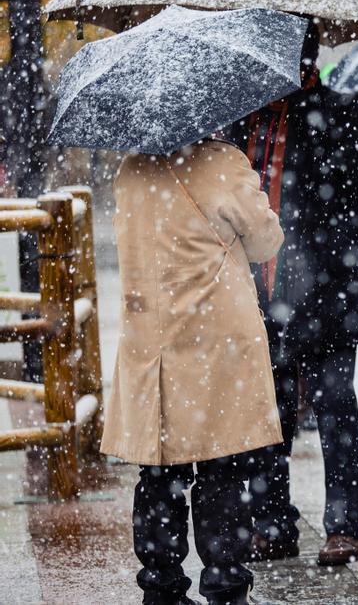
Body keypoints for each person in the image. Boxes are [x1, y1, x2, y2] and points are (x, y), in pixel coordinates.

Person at [103, 137, 285, 605]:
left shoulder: (130, 169)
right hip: (215, 340)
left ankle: (161, 586)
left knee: (159, 473)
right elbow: (266, 241)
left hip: (152, 340)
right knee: (222, 467)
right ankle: (225, 582)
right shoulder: (222, 162)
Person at [231, 21, 358, 567]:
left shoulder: (341, 113)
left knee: (335, 402)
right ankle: (272, 521)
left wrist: (327, 251)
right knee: (267, 413)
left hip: (328, 293)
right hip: (256, 292)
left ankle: (344, 523)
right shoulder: (243, 123)